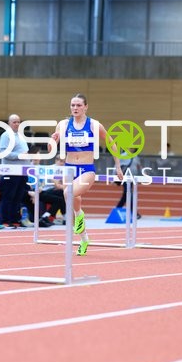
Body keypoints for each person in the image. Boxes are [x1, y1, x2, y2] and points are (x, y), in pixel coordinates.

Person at [50, 93, 122, 256]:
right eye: (73, 105)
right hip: (69, 168)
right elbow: (51, 148)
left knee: (68, 193)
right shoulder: (63, 124)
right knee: (74, 202)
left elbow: (111, 143)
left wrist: (118, 166)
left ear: (86, 107)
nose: (75, 108)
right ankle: (84, 239)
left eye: (78, 105)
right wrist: (52, 141)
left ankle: (79, 216)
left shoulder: (94, 125)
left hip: (86, 169)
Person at [0, 113, 28, 227]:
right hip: (11, 171)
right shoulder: (6, 136)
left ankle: (15, 219)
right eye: (14, 122)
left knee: (18, 196)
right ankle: (5, 220)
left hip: (22, 171)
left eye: (18, 121)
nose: (17, 124)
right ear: (9, 123)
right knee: (9, 196)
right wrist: (20, 155)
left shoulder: (20, 136)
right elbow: (4, 153)